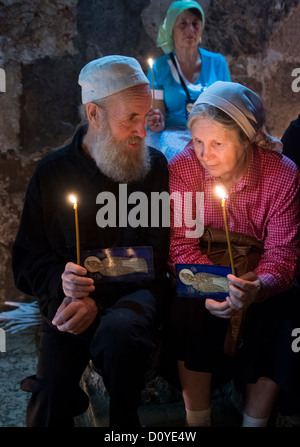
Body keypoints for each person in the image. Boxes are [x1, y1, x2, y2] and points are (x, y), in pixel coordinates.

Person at [12, 55, 170, 427]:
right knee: (48, 396)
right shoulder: (51, 173)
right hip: (69, 303)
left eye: (145, 117)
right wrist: (61, 281)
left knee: (121, 334)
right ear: (94, 114)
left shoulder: (154, 167)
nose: (143, 131)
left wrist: (94, 297)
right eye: (131, 118)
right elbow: (27, 260)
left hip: (133, 297)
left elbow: (155, 256)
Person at [166, 81, 300, 427]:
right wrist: (213, 285)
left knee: (283, 310)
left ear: (246, 141)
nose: (203, 154)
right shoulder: (184, 168)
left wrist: (258, 286)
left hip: (256, 275)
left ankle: (254, 421)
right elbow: (181, 245)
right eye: (197, 141)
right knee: (188, 303)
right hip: (204, 266)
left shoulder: (281, 174)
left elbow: (283, 253)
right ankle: (198, 420)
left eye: (217, 143)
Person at [146, 0, 231, 160]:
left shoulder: (217, 63)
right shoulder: (159, 68)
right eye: (183, 24)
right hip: (174, 137)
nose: (190, 30)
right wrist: (156, 122)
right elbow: (159, 118)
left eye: (195, 24)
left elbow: (228, 108)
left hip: (210, 135)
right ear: (171, 29)